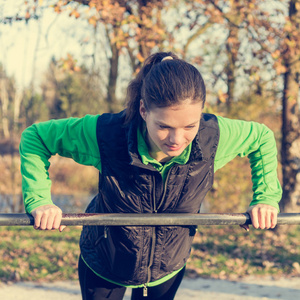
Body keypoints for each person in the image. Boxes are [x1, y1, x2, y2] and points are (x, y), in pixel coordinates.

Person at [19, 52, 282, 300]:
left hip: (167, 266)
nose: (177, 139)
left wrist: (266, 198)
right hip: (105, 261)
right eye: (164, 126)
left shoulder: (213, 137)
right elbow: (36, 137)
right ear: (144, 111)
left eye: (190, 126)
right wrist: (40, 201)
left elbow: (262, 138)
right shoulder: (107, 134)